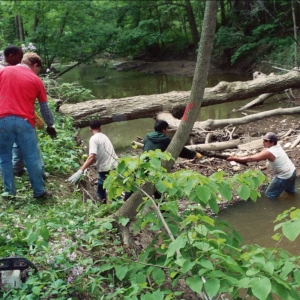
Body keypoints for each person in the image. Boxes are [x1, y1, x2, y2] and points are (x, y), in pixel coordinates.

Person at [0, 52, 56, 199]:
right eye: (38, 69)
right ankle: (39, 192)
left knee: (4, 157)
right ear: (34, 65)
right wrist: (50, 124)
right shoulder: (35, 80)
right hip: (25, 122)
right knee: (31, 157)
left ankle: (9, 192)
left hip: (2, 121)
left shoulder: (3, 71)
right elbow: (44, 107)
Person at [124, 120, 203, 201]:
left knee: (133, 182)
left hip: (142, 164)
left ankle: (125, 202)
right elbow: (181, 150)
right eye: (166, 129)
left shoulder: (147, 137)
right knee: (157, 186)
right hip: (154, 167)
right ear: (164, 129)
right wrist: (194, 154)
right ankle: (162, 207)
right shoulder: (166, 140)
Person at [226, 132, 296, 199]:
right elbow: (262, 152)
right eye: (263, 140)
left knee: (270, 194)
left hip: (284, 176)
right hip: (292, 171)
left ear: (272, 142)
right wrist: (258, 157)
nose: (263, 142)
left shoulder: (270, 152)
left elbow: (250, 159)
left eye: (266, 141)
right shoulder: (276, 145)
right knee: (290, 191)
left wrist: (234, 158)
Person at [67, 120, 118, 204]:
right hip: (115, 164)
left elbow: (92, 157)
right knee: (112, 186)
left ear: (90, 129)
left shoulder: (93, 139)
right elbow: (93, 158)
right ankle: (107, 202)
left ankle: (104, 203)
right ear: (101, 127)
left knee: (104, 186)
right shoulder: (104, 136)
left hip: (105, 167)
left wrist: (80, 171)